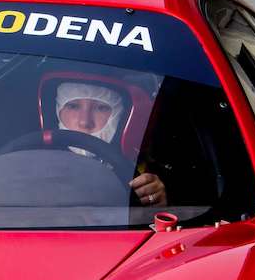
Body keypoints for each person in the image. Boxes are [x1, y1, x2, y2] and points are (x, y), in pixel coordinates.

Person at [46, 77, 168, 207]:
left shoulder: (141, 173)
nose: (85, 122)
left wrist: (155, 203)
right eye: (73, 106)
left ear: (122, 115)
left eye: (101, 108)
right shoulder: (32, 162)